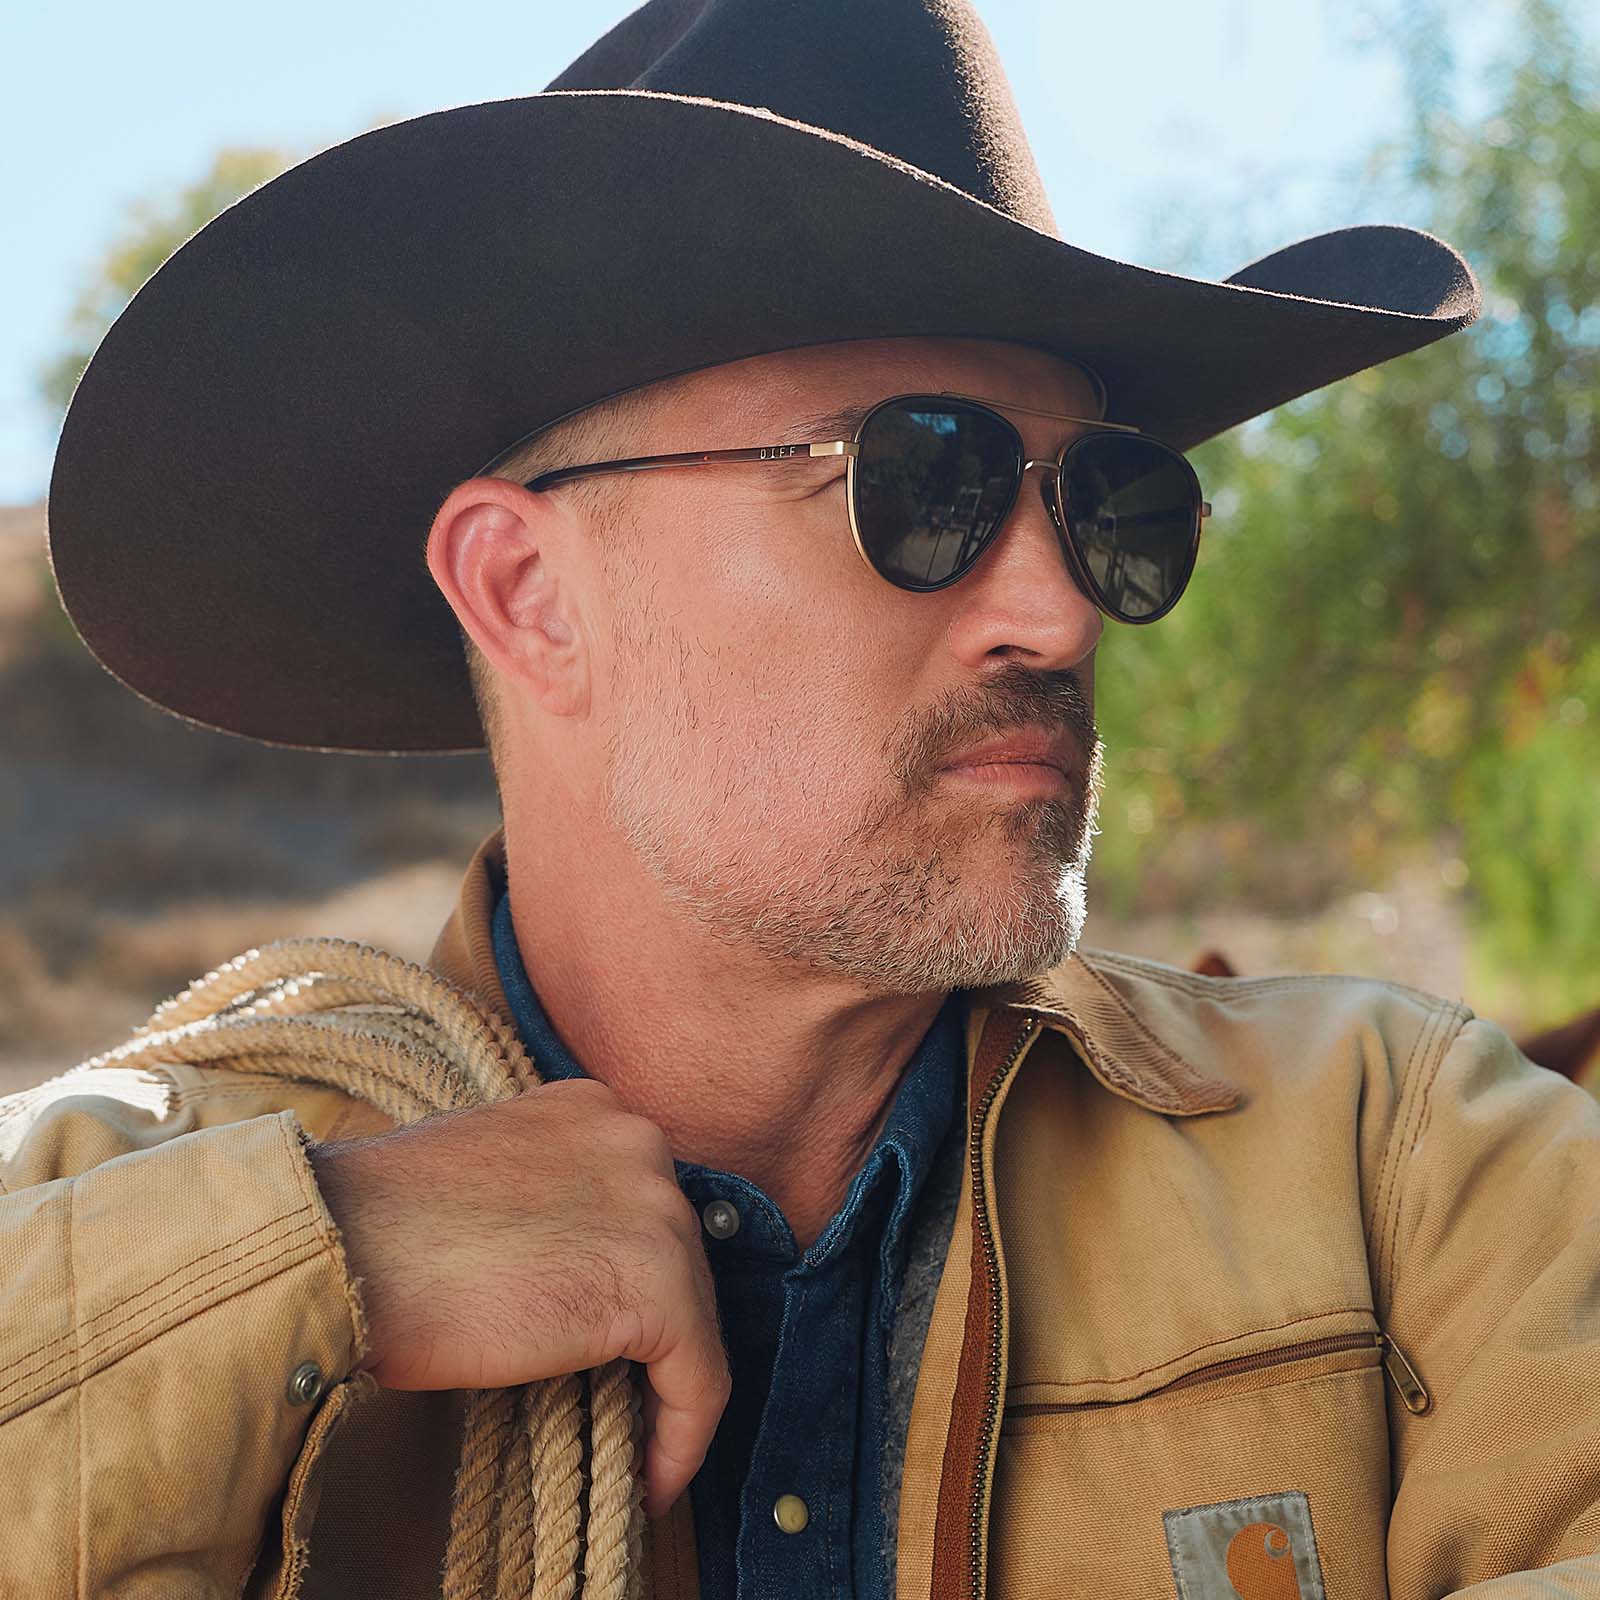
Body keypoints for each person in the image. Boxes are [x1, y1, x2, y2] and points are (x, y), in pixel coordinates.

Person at [12, 1, 1598, 1597]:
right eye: (927, 482)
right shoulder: (110, 1199)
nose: (1058, 616)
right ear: (531, 595)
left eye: (1109, 507)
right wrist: (316, 1266)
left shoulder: (1400, 1162)